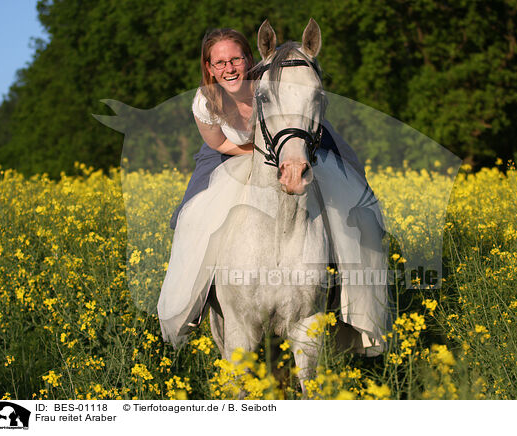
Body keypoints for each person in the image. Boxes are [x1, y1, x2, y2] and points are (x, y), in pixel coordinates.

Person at [159, 27, 390, 355]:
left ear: (249, 59)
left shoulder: (270, 79)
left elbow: (299, 102)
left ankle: (358, 306)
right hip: (231, 149)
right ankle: (190, 302)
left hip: (292, 139)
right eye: (220, 62)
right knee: (192, 215)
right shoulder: (206, 101)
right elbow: (218, 142)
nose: (229, 68)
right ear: (209, 67)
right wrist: (259, 154)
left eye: (235, 59)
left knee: (352, 190)